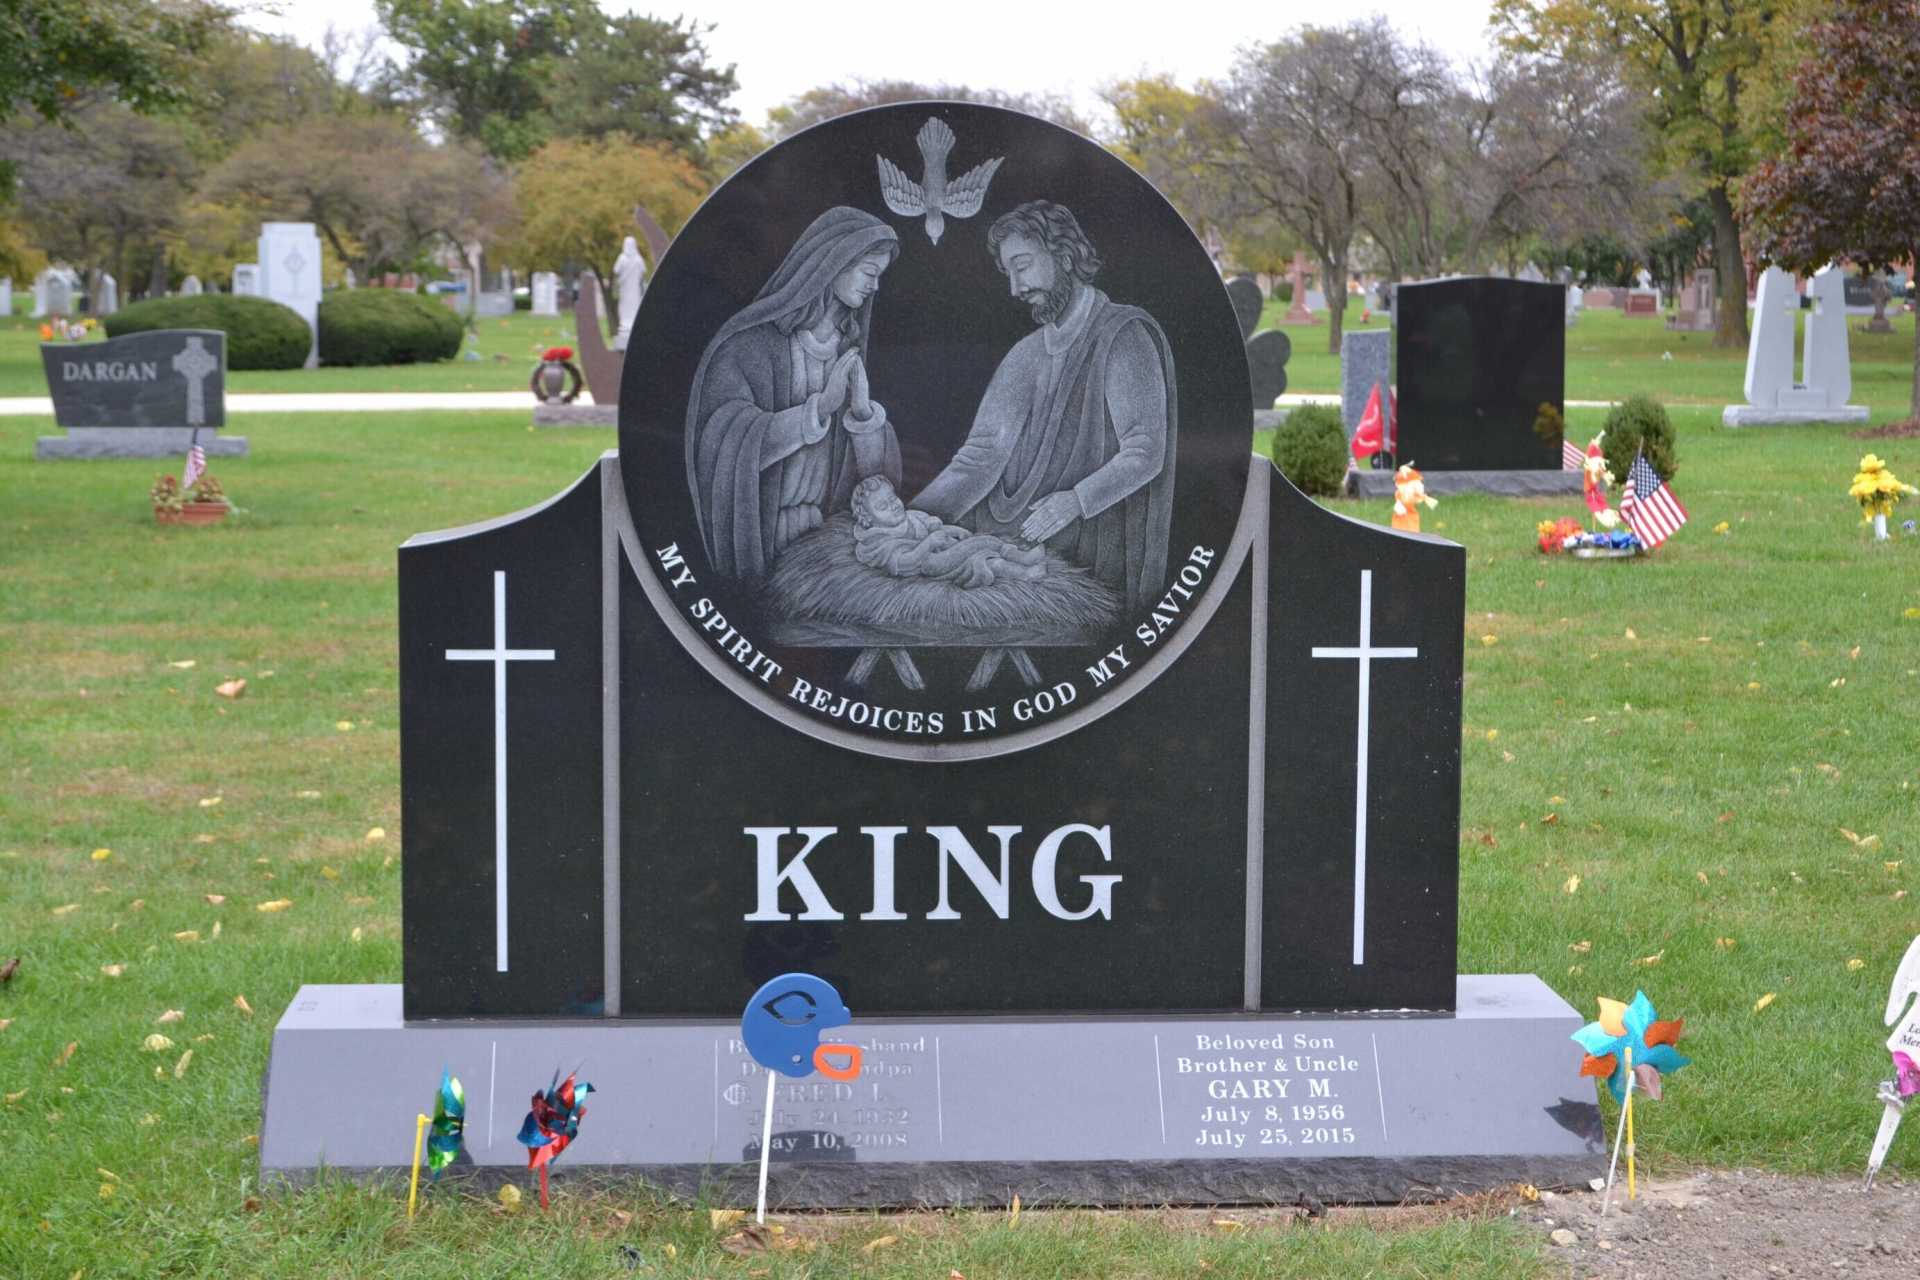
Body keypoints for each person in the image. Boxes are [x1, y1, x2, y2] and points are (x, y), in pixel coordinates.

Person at [911, 200, 1175, 614]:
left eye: (1023, 265)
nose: (1016, 288)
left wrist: (1074, 501)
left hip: (1087, 547)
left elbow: (1144, 453)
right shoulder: (1027, 353)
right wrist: (912, 522)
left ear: (1064, 254)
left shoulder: (1123, 335)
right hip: (1006, 538)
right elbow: (980, 456)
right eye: (1008, 273)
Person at [685, 207, 903, 582]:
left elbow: (876, 484)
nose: (875, 287)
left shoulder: (845, 350)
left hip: (824, 539)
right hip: (767, 536)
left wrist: (863, 415)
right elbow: (720, 442)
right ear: (832, 264)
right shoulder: (749, 346)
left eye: (879, 276)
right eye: (869, 273)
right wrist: (818, 409)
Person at [849, 475, 1045, 587]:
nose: (893, 506)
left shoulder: (911, 517)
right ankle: (1021, 559)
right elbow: (904, 563)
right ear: (869, 519)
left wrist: (952, 529)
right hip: (932, 564)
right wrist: (929, 543)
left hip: (945, 552)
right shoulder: (880, 541)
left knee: (989, 562)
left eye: (893, 499)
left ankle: (1025, 572)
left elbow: (934, 527)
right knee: (980, 543)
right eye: (883, 507)